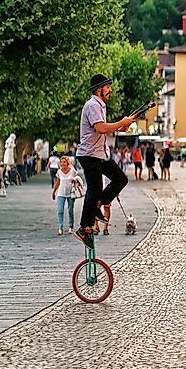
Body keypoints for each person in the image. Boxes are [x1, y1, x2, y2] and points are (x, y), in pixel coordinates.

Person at [74, 74, 136, 248]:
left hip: (100, 153)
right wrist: (120, 122)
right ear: (99, 89)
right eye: (108, 87)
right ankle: (84, 228)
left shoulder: (100, 106)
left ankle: (97, 205)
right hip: (89, 154)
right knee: (94, 188)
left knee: (120, 179)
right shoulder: (92, 104)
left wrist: (122, 126)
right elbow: (100, 128)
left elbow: (103, 129)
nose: (110, 90)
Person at [52, 156, 80, 235]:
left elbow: (77, 180)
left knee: (70, 210)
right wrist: (54, 192)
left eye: (64, 162)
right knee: (60, 211)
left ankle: (71, 227)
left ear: (67, 163)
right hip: (61, 193)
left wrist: (75, 180)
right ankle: (60, 228)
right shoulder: (59, 172)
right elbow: (57, 182)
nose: (62, 163)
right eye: (61, 162)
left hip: (70, 194)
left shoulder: (73, 171)